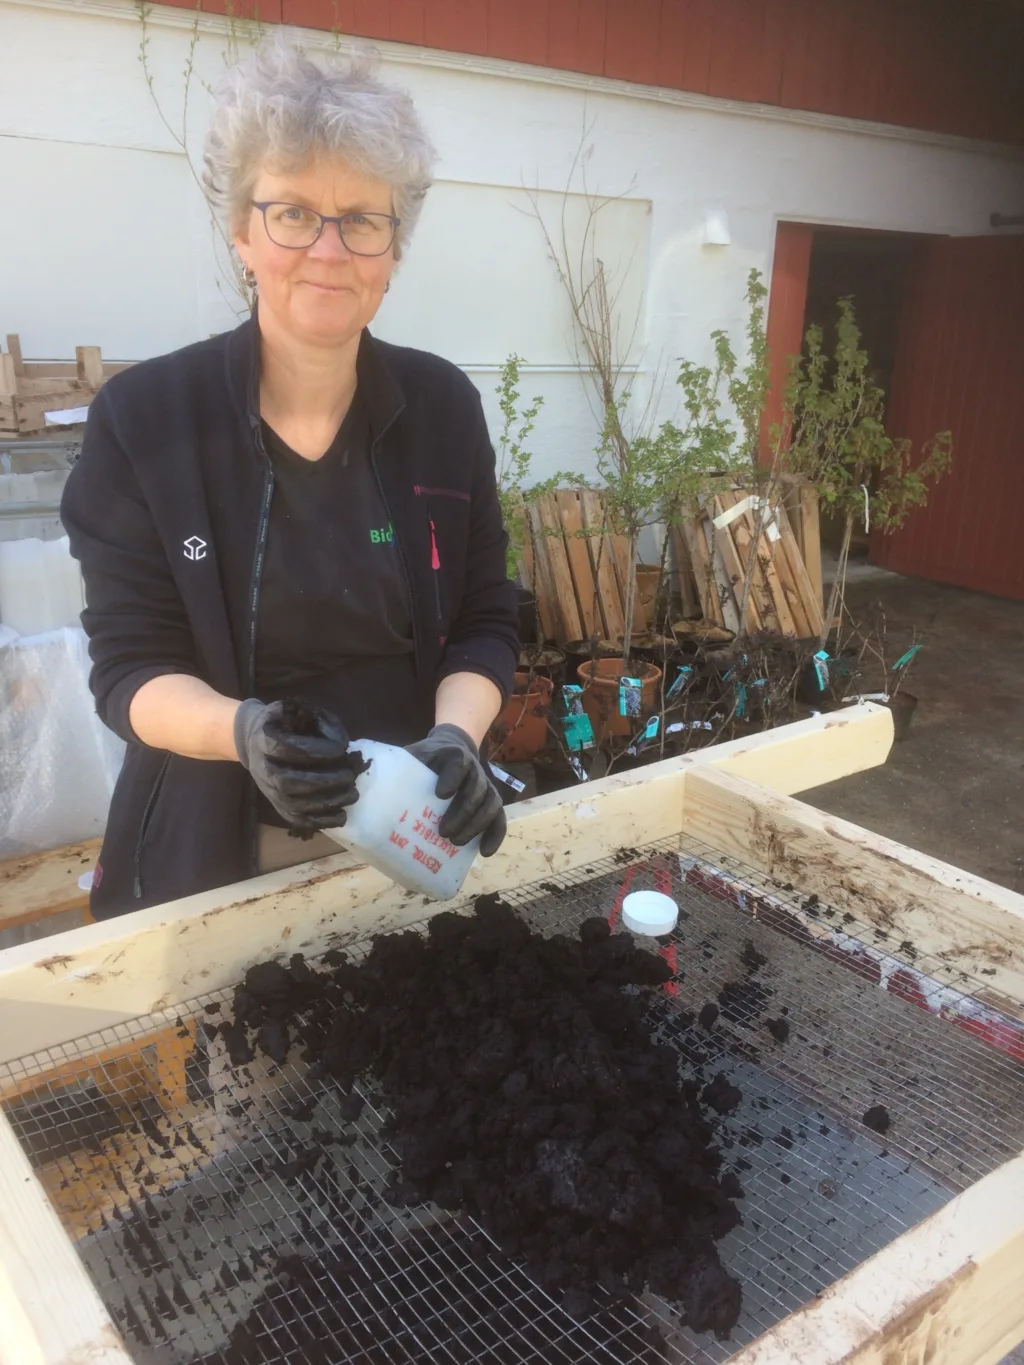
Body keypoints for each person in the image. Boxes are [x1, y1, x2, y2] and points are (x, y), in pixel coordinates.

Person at [61, 42, 518, 920]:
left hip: (410, 836)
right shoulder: (146, 421)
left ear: (394, 247)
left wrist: (456, 737)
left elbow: (485, 618)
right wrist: (244, 732)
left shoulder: (443, 410)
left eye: (362, 220)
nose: (330, 249)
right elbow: (130, 667)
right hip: (219, 854)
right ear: (241, 232)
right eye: (294, 212)